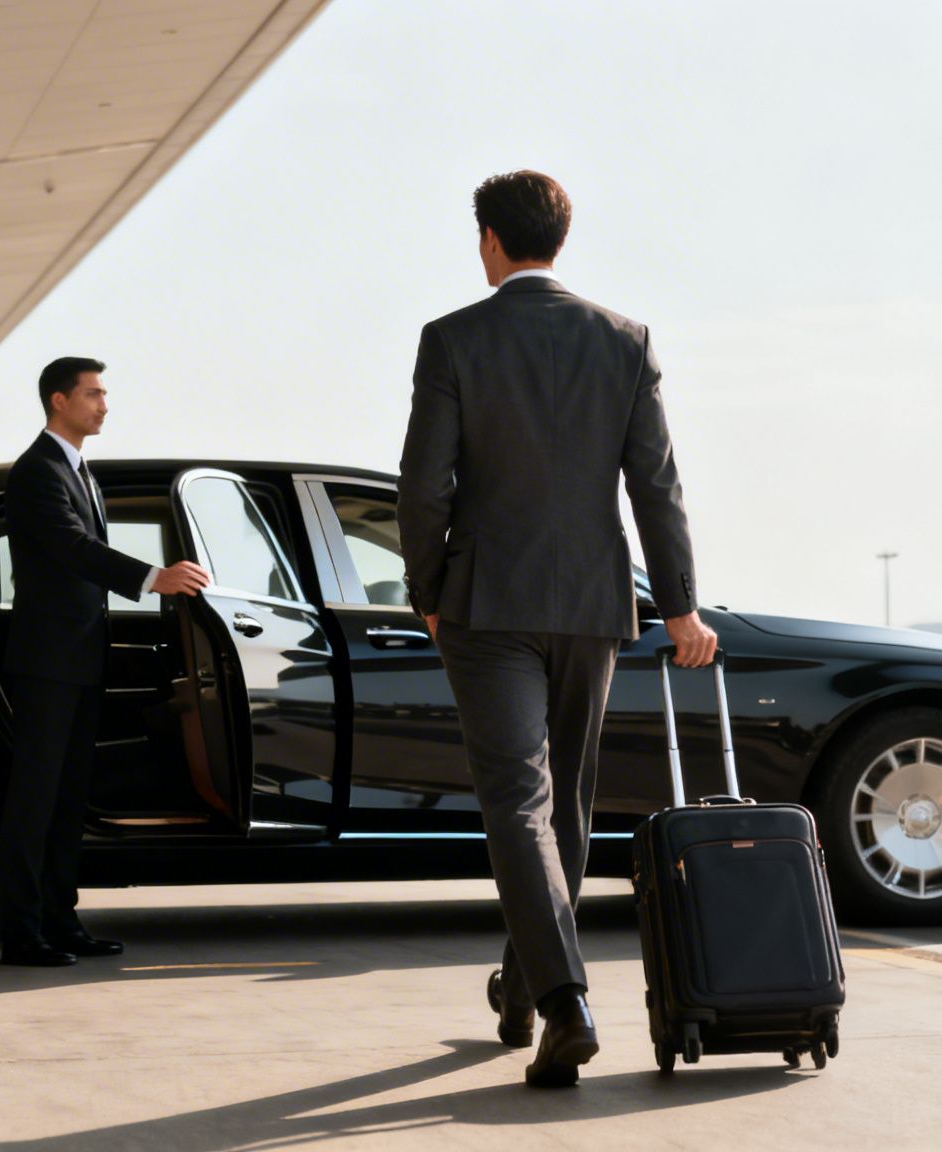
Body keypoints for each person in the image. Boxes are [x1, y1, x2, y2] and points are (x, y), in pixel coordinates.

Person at [398, 170, 719, 1087]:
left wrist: (427, 589)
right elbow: (655, 484)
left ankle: (565, 1000)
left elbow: (424, 485)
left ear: (491, 241)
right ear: (558, 239)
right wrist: (680, 605)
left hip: (486, 603)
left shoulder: (453, 338)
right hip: (589, 604)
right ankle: (523, 985)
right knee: (562, 806)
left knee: (517, 802)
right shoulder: (624, 339)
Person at [0, 356, 212, 967]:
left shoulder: (81, 472)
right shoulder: (36, 471)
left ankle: (60, 922)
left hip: (80, 660)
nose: (104, 404)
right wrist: (153, 577)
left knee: (69, 800)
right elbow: (73, 547)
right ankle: (21, 934)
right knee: (34, 800)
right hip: (46, 662)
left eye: (104, 393)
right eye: (93, 393)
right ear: (59, 400)